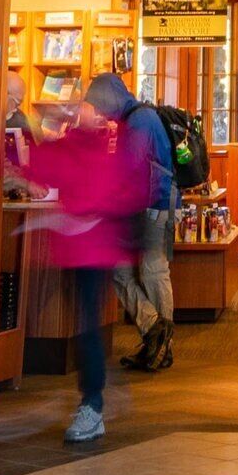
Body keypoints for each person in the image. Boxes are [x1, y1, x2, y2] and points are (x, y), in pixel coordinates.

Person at [19, 88, 152, 442]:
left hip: (94, 248)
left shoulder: (111, 143)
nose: (89, 113)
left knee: (87, 324)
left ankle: (92, 403)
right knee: (85, 322)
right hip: (83, 247)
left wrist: (91, 213)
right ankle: (93, 399)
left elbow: (124, 189)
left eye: (94, 107)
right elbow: (47, 168)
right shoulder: (92, 143)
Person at [101, 75, 178, 374]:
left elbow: (129, 167)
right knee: (132, 271)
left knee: (151, 271)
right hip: (145, 205)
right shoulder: (135, 118)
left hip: (152, 205)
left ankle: (161, 344)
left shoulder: (139, 121)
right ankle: (155, 332)